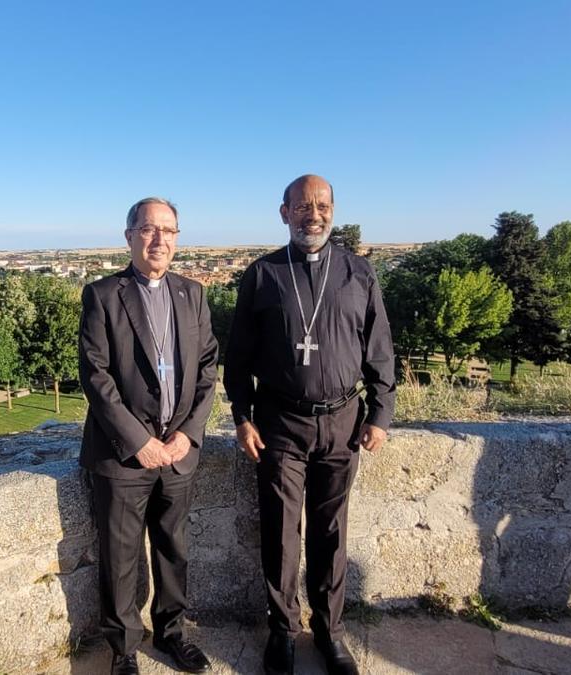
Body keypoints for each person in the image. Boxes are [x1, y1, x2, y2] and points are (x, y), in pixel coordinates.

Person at [223, 175, 395, 675]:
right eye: (301, 207)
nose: (312, 215)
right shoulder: (262, 274)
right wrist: (241, 416)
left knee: (331, 533)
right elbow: (238, 359)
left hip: (343, 422)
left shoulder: (358, 273)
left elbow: (379, 351)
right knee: (280, 533)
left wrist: (380, 414)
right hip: (279, 423)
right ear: (284, 213)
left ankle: (330, 631)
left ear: (333, 211)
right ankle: (282, 631)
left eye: (321, 206)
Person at [79, 197, 220, 675]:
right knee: (119, 557)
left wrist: (188, 433)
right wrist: (139, 440)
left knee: (173, 548)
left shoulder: (192, 294)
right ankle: (123, 650)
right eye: (148, 229)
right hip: (123, 456)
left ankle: (173, 633)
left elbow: (206, 369)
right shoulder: (102, 295)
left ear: (178, 238)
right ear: (129, 237)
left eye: (169, 230)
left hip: (178, 451)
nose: (159, 239)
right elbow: (96, 377)